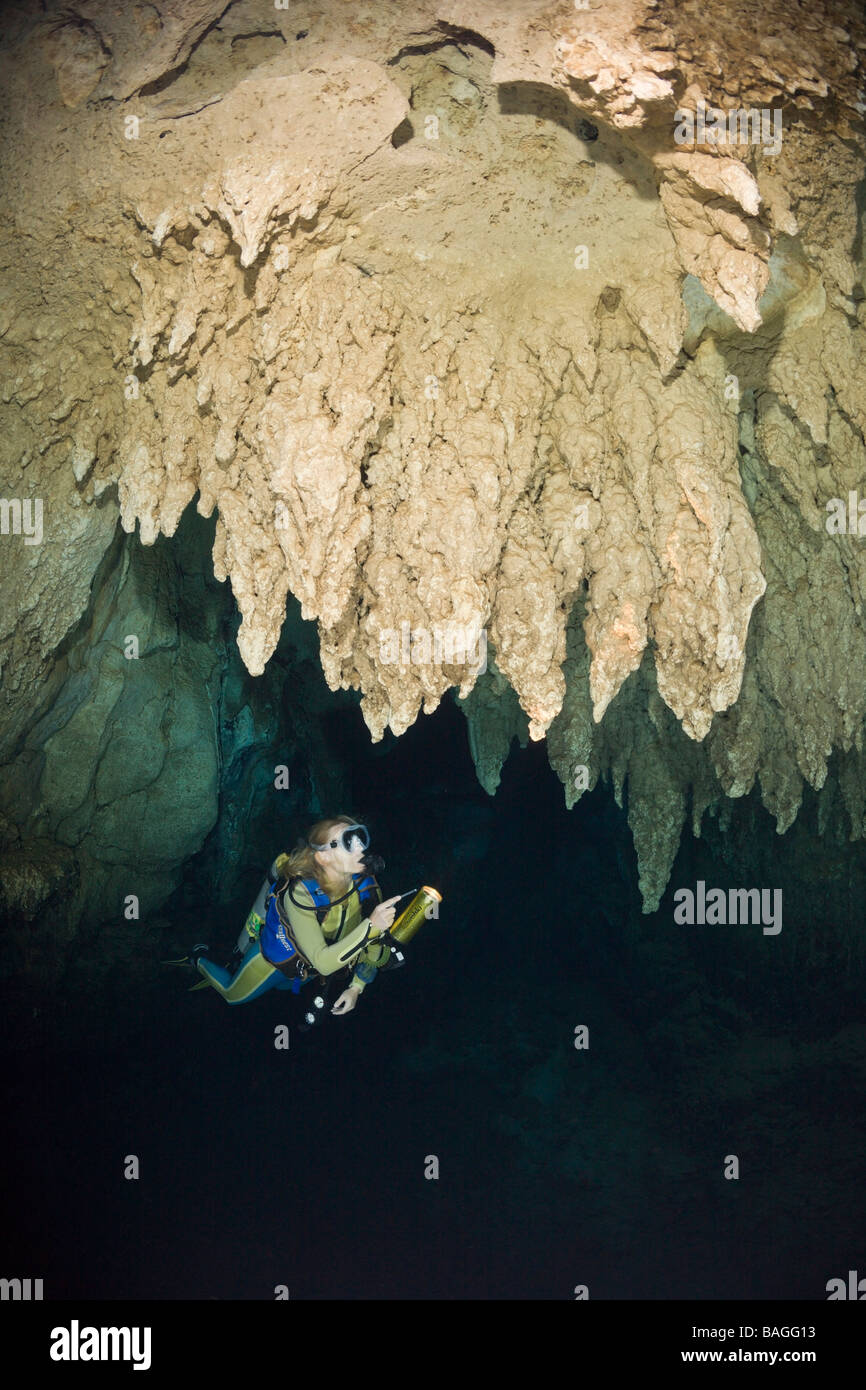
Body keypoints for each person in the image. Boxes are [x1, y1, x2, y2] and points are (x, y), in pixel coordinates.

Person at [190, 816, 401, 1013]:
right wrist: (372, 925)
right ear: (323, 857)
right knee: (233, 996)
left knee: (283, 987)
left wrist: (356, 987)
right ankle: (198, 957)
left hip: (307, 969)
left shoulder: (367, 888)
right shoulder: (301, 894)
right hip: (276, 956)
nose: (359, 848)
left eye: (359, 837)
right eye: (348, 841)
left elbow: (375, 940)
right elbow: (324, 961)